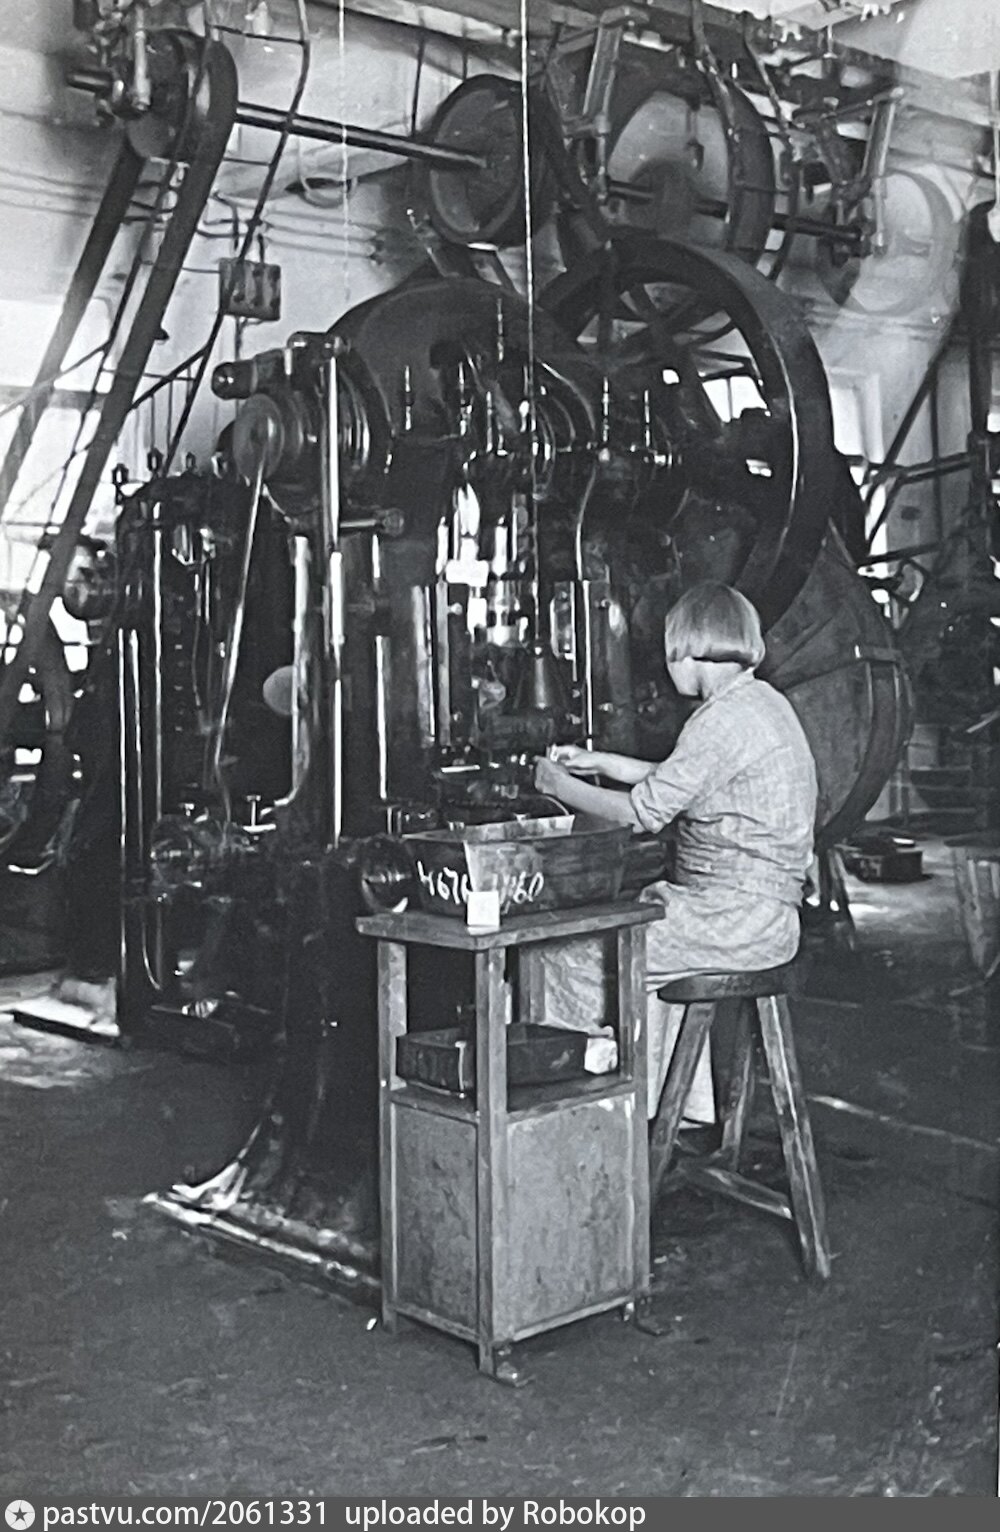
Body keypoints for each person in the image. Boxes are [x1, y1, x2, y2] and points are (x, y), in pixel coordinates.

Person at [533, 580, 818, 1127]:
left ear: (688, 651)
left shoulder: (720, 720)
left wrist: (558, 785)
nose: (667, 670)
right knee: (645, 936)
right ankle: (677, 1108)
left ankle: (578, 1118)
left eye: (669, 655)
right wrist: (601, 762)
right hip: (763, 918)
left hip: (735, 920)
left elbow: (643, 813)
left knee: (567, 954)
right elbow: (687, 776)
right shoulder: (761, 703)